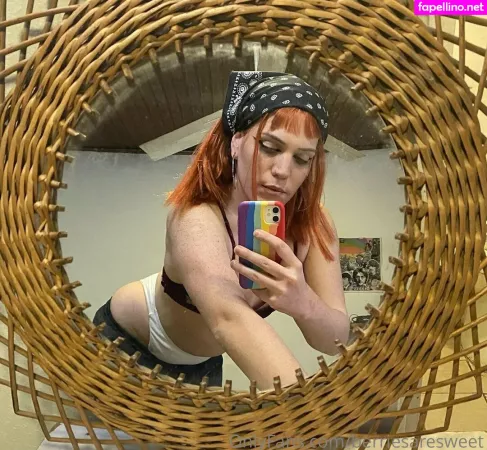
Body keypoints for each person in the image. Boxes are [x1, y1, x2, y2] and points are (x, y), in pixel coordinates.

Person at [93, 71, 349, 391]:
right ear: (237, 143)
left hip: (202, 363)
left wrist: (304, 304)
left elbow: (336, 339)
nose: (283, 171)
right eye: (270, 147)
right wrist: (309, 413)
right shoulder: (196, 216)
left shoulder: (315, 225)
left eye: (302, 158)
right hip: (124, 341)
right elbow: (230, 319)